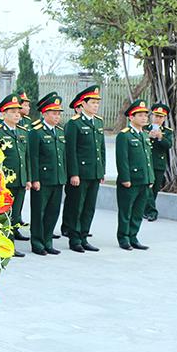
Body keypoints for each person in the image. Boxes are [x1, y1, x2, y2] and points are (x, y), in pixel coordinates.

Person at [61, 85, 104, 253]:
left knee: (89, 206)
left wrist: (101, 170)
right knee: (76, 206)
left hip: (94, 172)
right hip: (80, 173)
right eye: (92, 102)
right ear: (83, 104)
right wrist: (74, 173)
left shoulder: (98, 122)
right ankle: (75, 238)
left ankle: (84, 236)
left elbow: (101, 149)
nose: (95, 106)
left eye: (97, 103)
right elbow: (70, 151)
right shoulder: (74, 123)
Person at [26, 92, 65, 256]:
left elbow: (63, 156)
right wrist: (34, 179)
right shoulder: (36, 131)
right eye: (54, 113)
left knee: (53, 211)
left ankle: (48, 241)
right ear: (45, 113)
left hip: (57, 178)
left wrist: (65, 175)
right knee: (39, 212)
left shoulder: (60, 132)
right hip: (42, 179)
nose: (57, 117)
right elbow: (33, 157)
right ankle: (37, 242)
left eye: (58, 114)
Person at [0, 94, 28, 256]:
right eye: (12, 111)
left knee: (16, 214)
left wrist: (28, 178)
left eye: (18, 111)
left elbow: (26, 157)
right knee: (4, 214)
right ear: (4, 113)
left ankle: (10, 244)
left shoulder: (22, 131)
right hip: (5, 181)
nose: (17, 114)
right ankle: (3, 244)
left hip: (20, 179)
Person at [116, 100, 154, 250]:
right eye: (140, 115)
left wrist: (150, 178)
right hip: (130, 180)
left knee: (138, 211)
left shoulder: (144, 135)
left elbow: (148, 159)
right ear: (131, 117)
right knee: (126, 211)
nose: (144, 118)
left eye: (146, 115)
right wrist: (125, 178)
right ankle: (123, 238)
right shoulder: (124, 135)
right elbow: (122, 159)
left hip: (144, 180)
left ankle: (133, 236)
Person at [144, 102, 173, 222]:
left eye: (161, 117)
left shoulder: (167, 132)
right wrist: (149, 137)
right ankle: (152, 212)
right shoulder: (145, 128)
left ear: (165, 118)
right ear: (152, 116)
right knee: (147, 188)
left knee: (154, 189)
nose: (157, 119)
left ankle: (146, 210)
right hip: (146, 162)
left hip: (158, 164)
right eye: (156, 116)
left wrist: (160, 137)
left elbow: (168, 145)